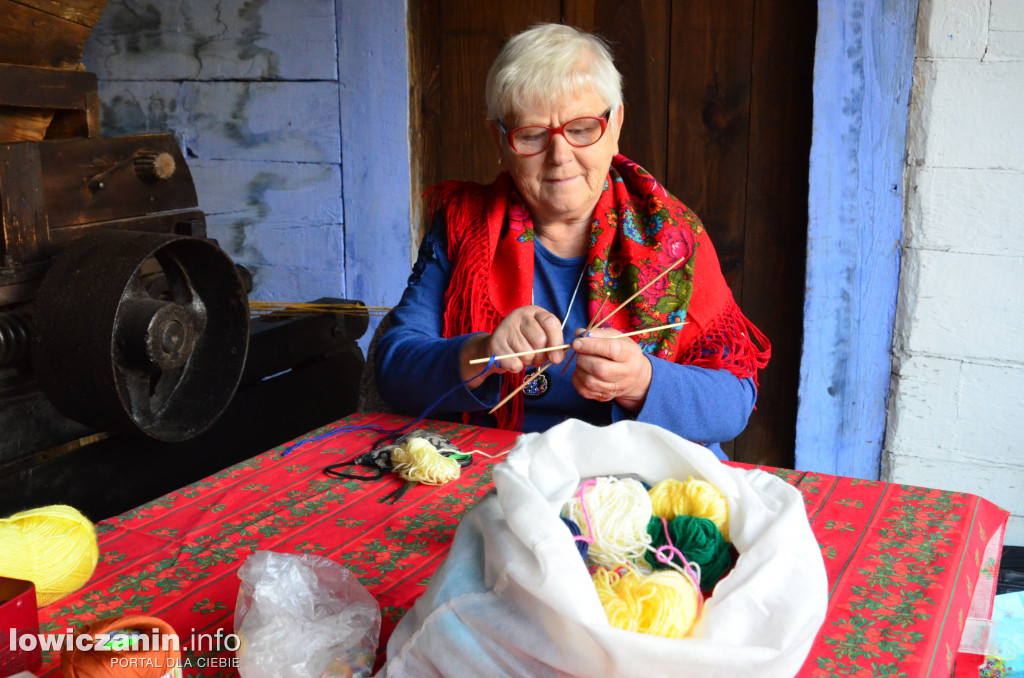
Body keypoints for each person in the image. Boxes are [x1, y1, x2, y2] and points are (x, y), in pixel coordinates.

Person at [374, 23, 769, 460]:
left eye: (581, 129)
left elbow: (734, 403)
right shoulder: (464, 226)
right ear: (500, 142)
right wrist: (481, 350)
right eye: (532, 135)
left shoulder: (675, 239)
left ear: (615, 122)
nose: (559, 155)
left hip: (648, 476)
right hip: (502, 475)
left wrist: (643, 382)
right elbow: (394, 368)